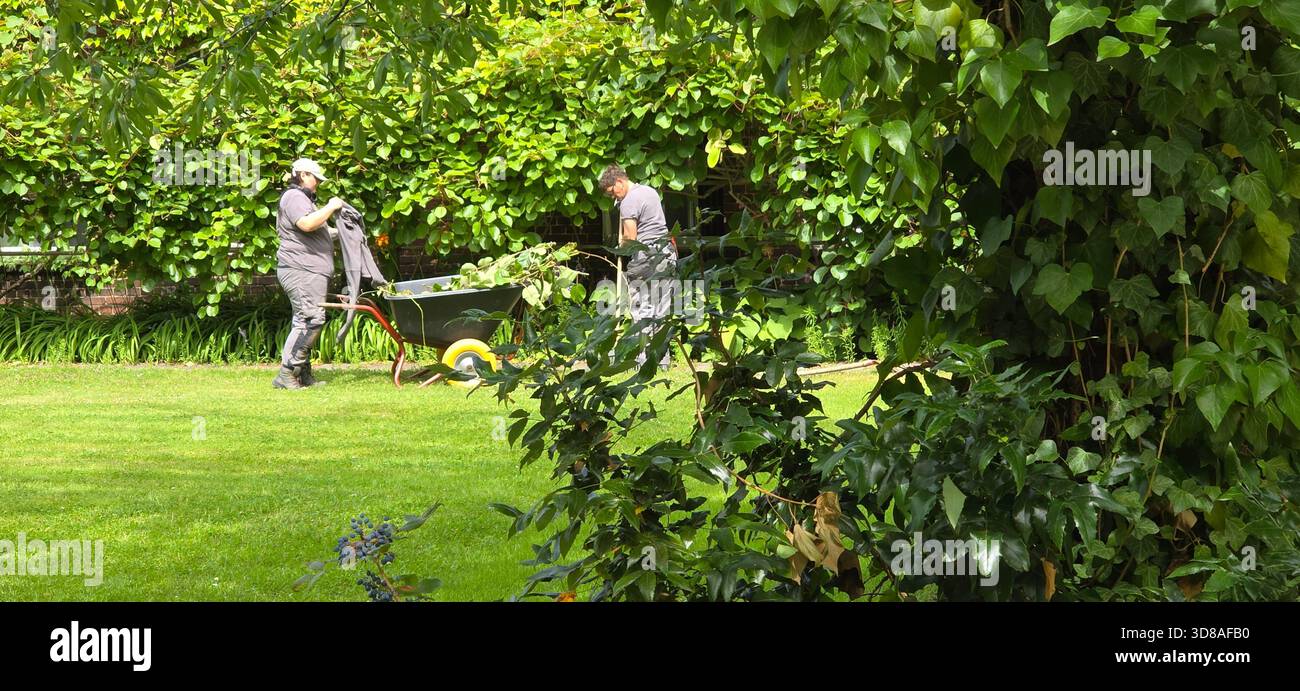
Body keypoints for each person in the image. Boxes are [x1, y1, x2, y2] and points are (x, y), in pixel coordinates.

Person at [272, 158, 342, 389]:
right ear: (302, 175)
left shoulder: (303, 199)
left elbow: (319, 231)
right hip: (301, 269)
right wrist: (331, 206)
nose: (318, 184)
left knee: (307, 319)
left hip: (309, 270)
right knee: (309, 320)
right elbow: (306, 224)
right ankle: (287, 373)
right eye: (316, 178)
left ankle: (302, 375)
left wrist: (344, 232)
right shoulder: (294, 197)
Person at [598, 164, 677, 369]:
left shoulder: (628, 202)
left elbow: (631, 238)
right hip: (666, 253)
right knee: (662, 307)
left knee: (642, 307)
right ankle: (662, 360)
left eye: (612, 192)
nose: (613, 197)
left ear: (619, 182)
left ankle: (642, 361)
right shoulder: (650, 191)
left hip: (645, 257)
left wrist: (619, 248)